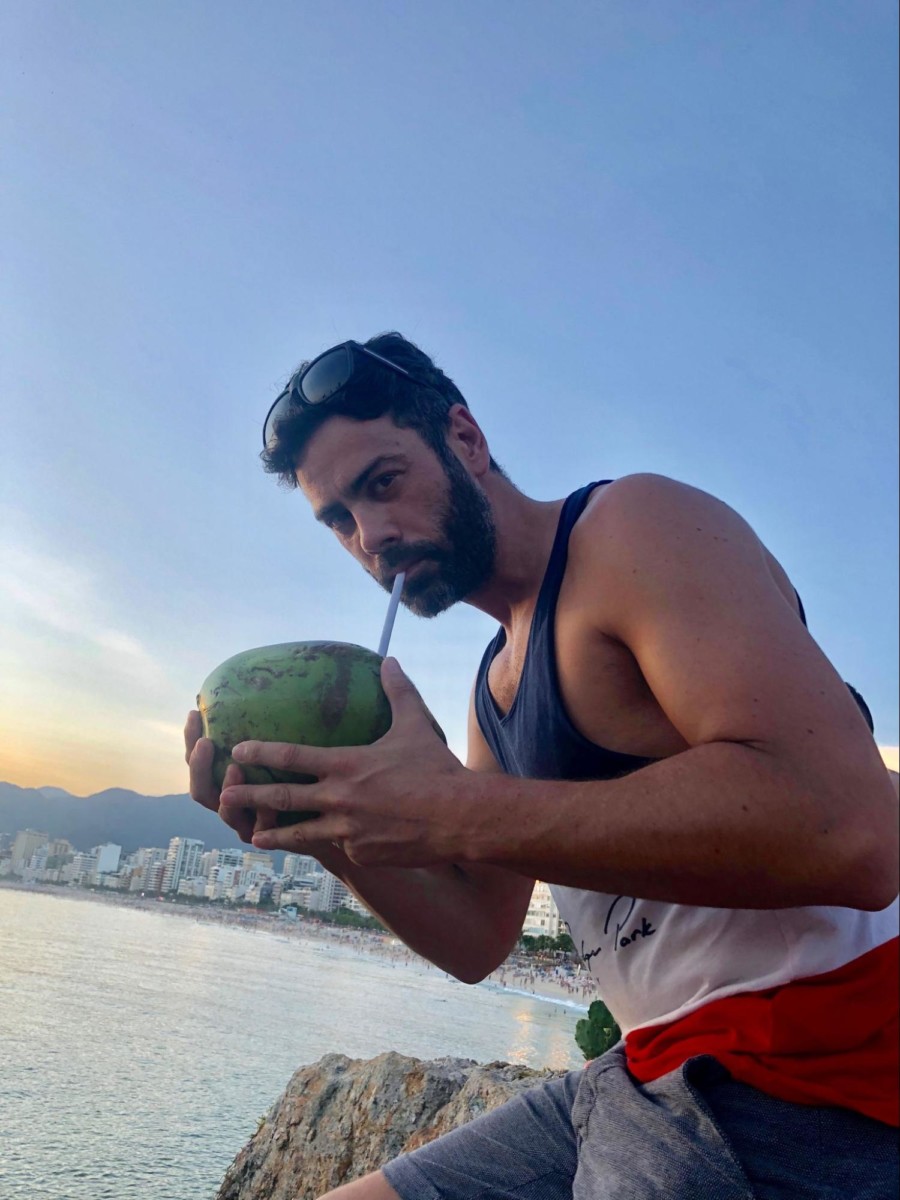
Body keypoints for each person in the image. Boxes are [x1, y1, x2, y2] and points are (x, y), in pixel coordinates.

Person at [185, 333, 899, 1199]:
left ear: (465, 439)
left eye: (382, 483)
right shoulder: (496, 683)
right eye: (338, 519)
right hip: (647, 1067)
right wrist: (323, 826)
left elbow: (855, 829)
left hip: (816, 1072)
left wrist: (451, 808)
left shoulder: (634, 530)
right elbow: (481, 939)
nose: (372, 537)